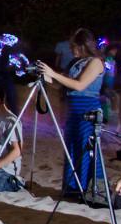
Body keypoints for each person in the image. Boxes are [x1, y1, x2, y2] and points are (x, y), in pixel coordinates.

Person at [37, 28, 105, 197]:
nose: (71, 49)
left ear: (83, 45)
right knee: (72, 148)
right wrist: (47, 77)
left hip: (87, 109)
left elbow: (80, 85)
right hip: (72, 109)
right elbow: (64, 85)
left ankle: (89, 189)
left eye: (74, 45)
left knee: (85, 147)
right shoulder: (75, 62)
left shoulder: (95, 62)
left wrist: (54, 74)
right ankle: (72, 188)